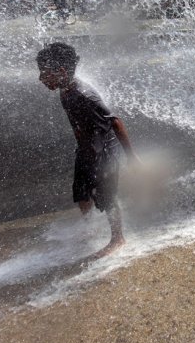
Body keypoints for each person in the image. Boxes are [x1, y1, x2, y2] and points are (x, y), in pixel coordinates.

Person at [36, 43, 140, 257]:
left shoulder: (84, 95)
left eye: (44, 73)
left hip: (104, 153)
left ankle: (117, 238)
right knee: (82, 192)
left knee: (107, 197)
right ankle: (89, 226)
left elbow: (116, 122)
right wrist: (82, 146)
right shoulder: (65, 90)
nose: (41, 79)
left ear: (61, 72)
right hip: (86, 150)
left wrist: (132, 157)